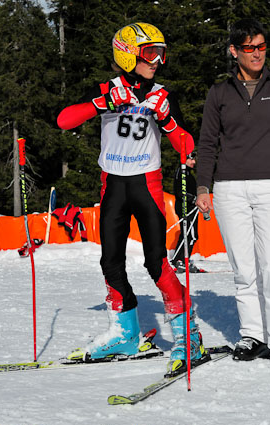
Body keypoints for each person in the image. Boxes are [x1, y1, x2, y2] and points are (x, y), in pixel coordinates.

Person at [57, 22, 208, 372]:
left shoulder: (162, 94)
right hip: (113, 185)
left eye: (161, 53)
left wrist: (168, 120)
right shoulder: (107, 88)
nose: (157, 60)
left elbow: (186, 147)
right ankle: (124, 333)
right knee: (110, 262)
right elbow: (65, 120)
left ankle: (188, 338)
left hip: (147, 185)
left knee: (157, 263)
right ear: (127, 55)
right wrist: (103, 102)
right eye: (150, 53)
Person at [196, 18, 270, 361]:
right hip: (229, 190)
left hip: (268, 186)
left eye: (261, 46)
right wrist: (203, 188)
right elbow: (208, 143)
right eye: (249, 48)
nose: (257, 53)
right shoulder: (219, 93)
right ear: (234, 51)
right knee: (243, 268)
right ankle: (252, 335)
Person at [172, 151, 201, 273]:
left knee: (191, 235)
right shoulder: (181, 172)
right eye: (191, 159)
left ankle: (183, 259)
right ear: (184, 159)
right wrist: (193, 199)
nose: (194, 162)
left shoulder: (188, 174)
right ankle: (178, 260)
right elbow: (180, 192)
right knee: (190, 235)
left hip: (192, 208)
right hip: (185, 208)